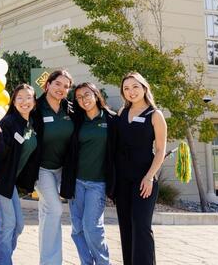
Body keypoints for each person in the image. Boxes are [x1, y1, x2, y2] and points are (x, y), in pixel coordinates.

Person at [19, 70, 76, 265]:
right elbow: (16, 122)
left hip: (63, 169)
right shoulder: (36, 108)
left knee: (48, 212)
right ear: (48, 85)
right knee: (54, 210)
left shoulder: (70, 110)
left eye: (66, 86)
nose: (62, 89)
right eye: (58, 84)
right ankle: (51, 262)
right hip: (41, 169)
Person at [114, 73, 167, 265]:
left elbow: (161, 150)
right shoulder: (121, 113)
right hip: (122, 180)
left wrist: (149, 177)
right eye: (126, 88)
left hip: (144, 179)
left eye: (135, 86)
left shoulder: (155, 114)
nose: (131, 91)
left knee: (141, 226)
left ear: (144, 88)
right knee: (126, 227)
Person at [0, 84, 38, 265]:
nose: (24, 101)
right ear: (13, 101)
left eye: (28, 97)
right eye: (19, 98)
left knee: (18, 225)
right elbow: (1, 155)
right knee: (7, 224)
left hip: (9, 181)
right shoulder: (9, 122)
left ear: (34, 101)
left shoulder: (30, 124)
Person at [61, 82, 116, 265]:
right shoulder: (77, 121)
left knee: (92, 227)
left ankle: (102, 262)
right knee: (77, 228)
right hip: (76, 182)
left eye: (86, 95)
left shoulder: (111, 119)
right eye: (78, 97)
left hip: (98, 184)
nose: (83, 100)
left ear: (95, 94)